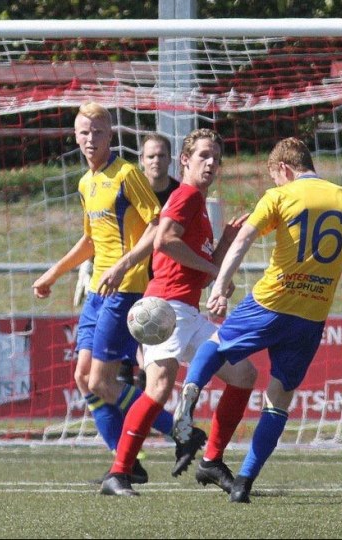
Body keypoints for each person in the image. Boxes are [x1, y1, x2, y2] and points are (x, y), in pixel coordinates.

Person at [172, 137, 342, 503]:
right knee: (279, 399)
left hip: (271, 303)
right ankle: (244, 481)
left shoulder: (281, 196)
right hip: (311, 316)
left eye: (275, 178)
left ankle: (190, 395)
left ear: (284, 170)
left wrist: (221, 285)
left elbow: (244, 238)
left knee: (214, 345)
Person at [99, 128, 258, 497]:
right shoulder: (185, 196)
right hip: (167, 309)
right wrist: (217, 269)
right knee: (157, 388)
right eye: (203, 155)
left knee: (244, 374)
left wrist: (226, 245)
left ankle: (211, 462)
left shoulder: (199, 205)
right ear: (185, 160)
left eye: (216, 158)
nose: (211, 163)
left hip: (188, 309)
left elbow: (200, 275)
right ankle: (118, 473)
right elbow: (164, 240)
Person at [32, 102, 184, 486]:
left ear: (110, 135)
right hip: (98, 291)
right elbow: (90, 240)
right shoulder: (87, 183)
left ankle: (178, 430)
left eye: (97, 132)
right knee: (83, 377)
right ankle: (127, 462)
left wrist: (122, 266)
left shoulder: (127, 174)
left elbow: (157, 227)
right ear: (75, 136)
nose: (90, 139)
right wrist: (53, 273)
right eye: (84, 132)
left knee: (101, 381)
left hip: (126, 287)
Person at [117, 133, 181, 391]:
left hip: (163, 278)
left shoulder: (179, 194)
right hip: (130, 273)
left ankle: (151, 418)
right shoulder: (130, 190)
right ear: (141, 160)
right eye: (150, 156)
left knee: (153, 349)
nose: (156, 161)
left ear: (170, 159)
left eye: (161, 155)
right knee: (124, 357)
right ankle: (124, 421)